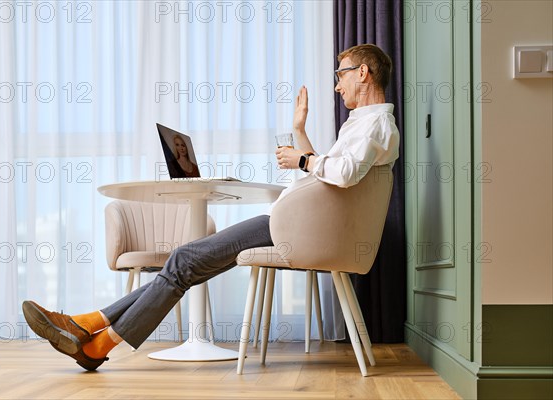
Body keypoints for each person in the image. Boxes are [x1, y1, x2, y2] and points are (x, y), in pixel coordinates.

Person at [22, 44, 400, 371]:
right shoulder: (364, 125)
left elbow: (343, 173)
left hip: (293, 229)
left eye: (341, 75)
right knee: (184, 263)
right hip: (299, 226)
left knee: (184, 260)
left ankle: (94, 339)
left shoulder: (374, 126)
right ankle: (88, 328)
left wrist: (302, 160)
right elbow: (333, 172)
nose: (337, 84)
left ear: (362, 72)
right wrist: (300, 130)